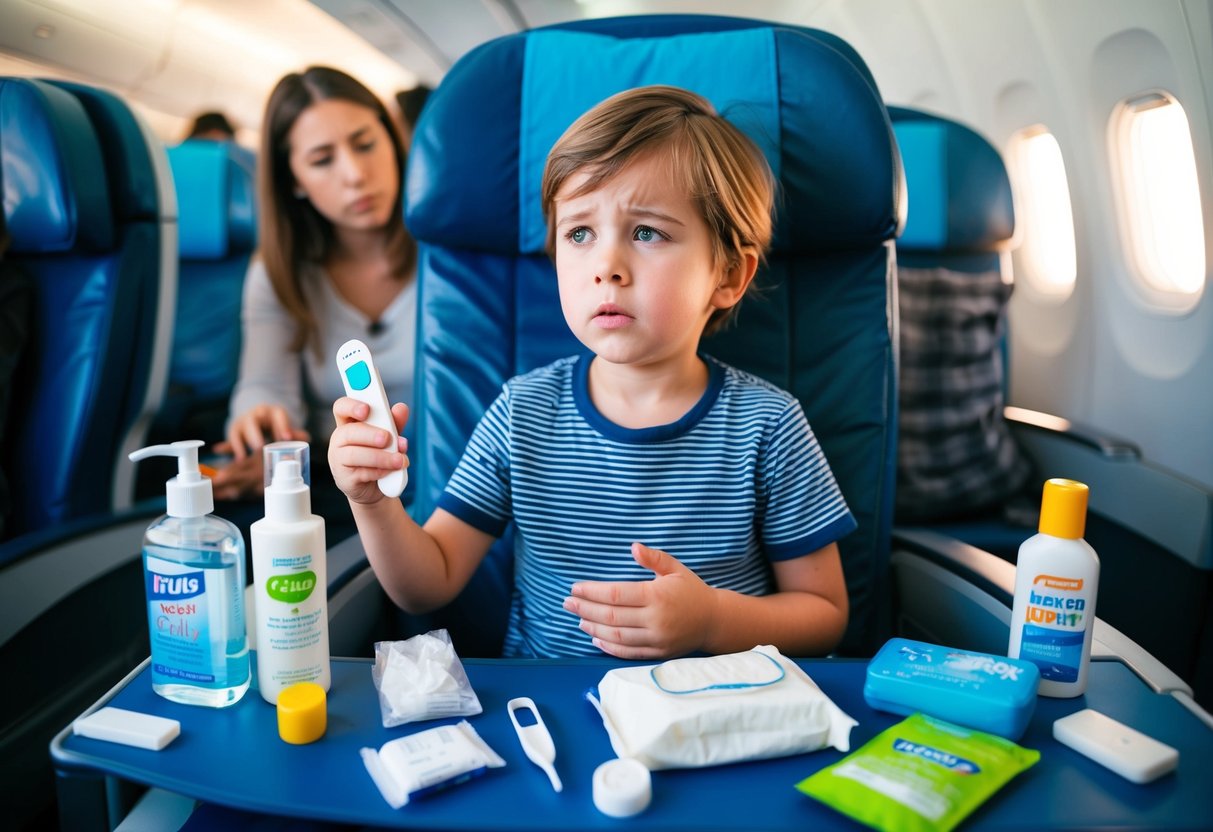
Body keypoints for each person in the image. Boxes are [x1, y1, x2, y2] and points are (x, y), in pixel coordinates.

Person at [329, 85, 854, 659]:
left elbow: (825, 614)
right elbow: (429, 580)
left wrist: (712, 622)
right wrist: (371, 501)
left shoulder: (767, 425)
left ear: (728, 275)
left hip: (716, 710)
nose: (607, 266)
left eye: (647, 232)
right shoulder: (521, 412)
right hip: (547, 714)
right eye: (579, 234)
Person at [212, 66, 416, 542]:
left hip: (453, 478)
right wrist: (260, 419)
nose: (355, 174)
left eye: (365, 144)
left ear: (393, 141)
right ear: (295, 181)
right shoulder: (280, 271)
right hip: (340, 482)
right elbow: (264, 385)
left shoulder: (448, 252)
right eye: (323, 160)